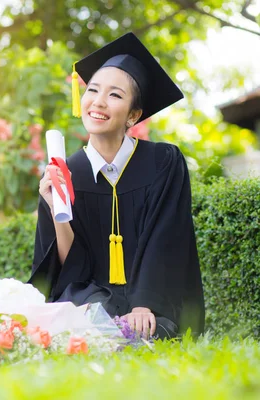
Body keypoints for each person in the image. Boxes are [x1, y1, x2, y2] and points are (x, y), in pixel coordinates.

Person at [28, 32, 205, 340]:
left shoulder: (163, 162)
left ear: (133, 115)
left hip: (151, 308)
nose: (98, 101)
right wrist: (57, 207)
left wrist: (144, 304)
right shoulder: (65, 173)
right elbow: (70, 272)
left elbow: (166, 240)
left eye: (115, 95)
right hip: (91, 302)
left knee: (146, 330)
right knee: (86, 326)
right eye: (92, 90)